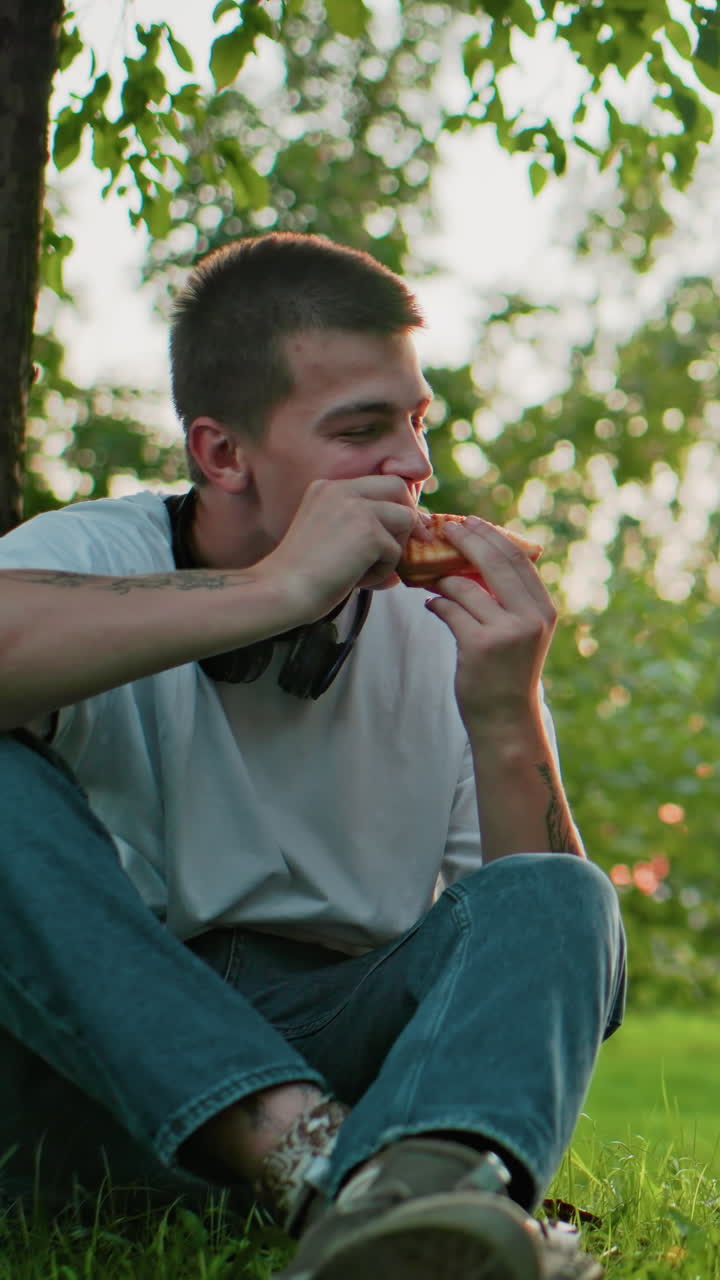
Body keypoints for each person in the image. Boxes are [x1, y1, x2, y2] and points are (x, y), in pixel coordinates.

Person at [0, 232, 625, 1279]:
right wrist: (280, 589)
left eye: (416, 422)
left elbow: (546, 960)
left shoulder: (443, 630)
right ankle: (343, 1171)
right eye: (362, 429)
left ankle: (421, 1183)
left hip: (340, 1040)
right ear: (223, 454)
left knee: (567, 894)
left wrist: (507, 708)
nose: (417, 466)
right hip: (89, 1079)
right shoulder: (89, 559)